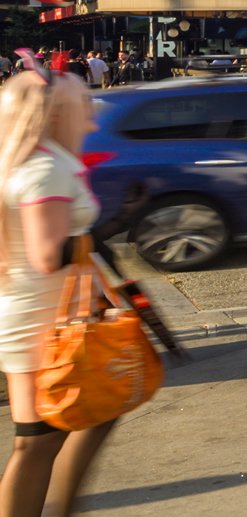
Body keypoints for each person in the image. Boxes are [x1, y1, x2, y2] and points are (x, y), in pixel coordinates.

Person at [0, 59, 115, 515]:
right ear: (53, 113)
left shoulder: (35, 160)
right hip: (40, 321)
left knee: (74, 424)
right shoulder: (44, 169)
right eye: (82, 101)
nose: (92, 108)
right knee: (36, 443)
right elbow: (48, 254)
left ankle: (60, 508)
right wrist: (97, 244)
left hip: (43, 314)